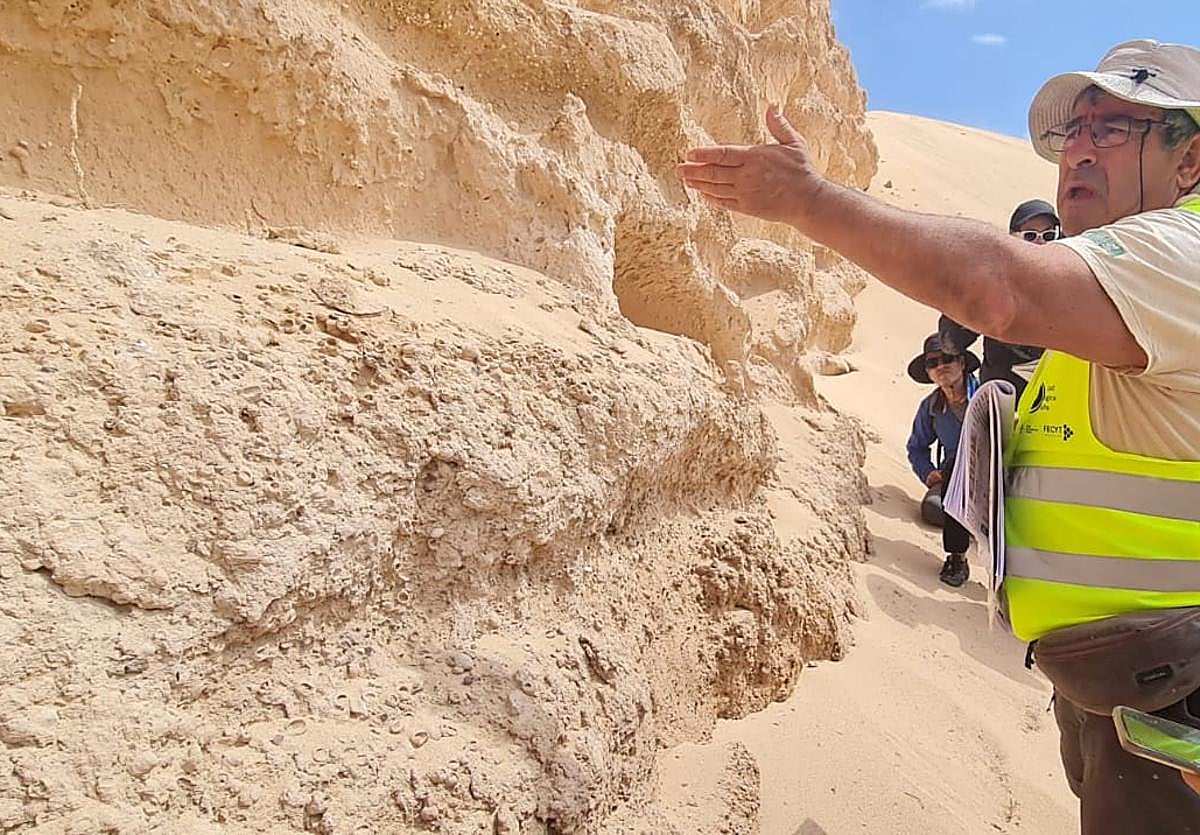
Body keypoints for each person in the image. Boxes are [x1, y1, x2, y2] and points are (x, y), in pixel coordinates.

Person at [678, 39, 1200, 833]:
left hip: (1176, 703)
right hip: (1124, 694)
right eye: (1074, 131)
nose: (1080, 151)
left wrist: (809, 201)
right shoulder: (1121, 284)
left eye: (1113, 128)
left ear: (1189, 160)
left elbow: (992, 289)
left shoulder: (1179, 259)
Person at [937, 199, 1060, 397]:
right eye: (1030, 236)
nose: (1040, 243)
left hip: (1054, 397)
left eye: (1048, 235)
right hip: (1001, 400)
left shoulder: (1067, 281)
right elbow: (950, 343)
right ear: (1013, 238)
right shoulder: (995, 278)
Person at [905, 335, 980, 587]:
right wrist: (928, 473)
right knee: (934, 507)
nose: (941, 366)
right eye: (933, 363)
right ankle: (957, 558)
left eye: (948, 359)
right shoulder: (930, 408)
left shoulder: (986, 395)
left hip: (994, 473)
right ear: (928, 373)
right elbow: (916, 447)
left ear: (962, 363)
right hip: (954, 480)